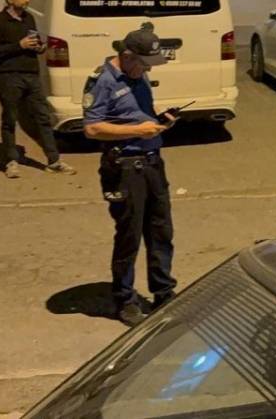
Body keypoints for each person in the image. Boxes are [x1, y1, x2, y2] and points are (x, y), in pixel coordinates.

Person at [82, 23, 178, 326]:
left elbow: (139, 111)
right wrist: (138, 130)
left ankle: (164, 292)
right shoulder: (103, 81)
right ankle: (125, 299)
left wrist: (160, 119)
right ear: (126, 55)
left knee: (161, 232)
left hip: (152, 163)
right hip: (124, 167)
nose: (147, 69)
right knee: (129, 236)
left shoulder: (140, 73)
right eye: (143, 63)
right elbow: (92, 128)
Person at [0, 0, 76, 179]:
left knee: (43, 118)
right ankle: (11, 161)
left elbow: (33, 43)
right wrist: (19, 45)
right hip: (9, 76)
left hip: (31, 75)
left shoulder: (29, 18)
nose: (27, 0)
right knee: (10, 119)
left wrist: (39, 47)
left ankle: (54, 161)